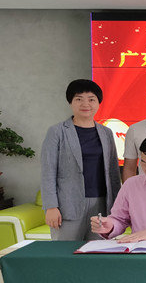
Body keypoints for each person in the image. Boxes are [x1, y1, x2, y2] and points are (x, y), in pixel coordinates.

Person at [41, 79, 121, 241]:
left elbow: (113, 172)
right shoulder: (57, 132)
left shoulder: (106, 133)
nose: (86, 104)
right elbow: (48, 171)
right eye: (79, 99)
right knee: (64, 252)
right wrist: (51, 206)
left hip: (101, 204)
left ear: (98, 103)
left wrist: (117, 208)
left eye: (91, 99)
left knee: (98, 252)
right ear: (70, 102)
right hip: (67, 205)